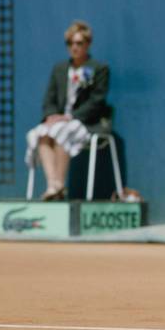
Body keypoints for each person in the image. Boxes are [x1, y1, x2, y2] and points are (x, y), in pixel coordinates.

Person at [25, 20, 111, 200]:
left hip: (85, 123)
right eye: (70, 43)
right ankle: (53, 186)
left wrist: (70, 117)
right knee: (41, 133)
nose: (74, 47)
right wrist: (50, 116)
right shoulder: (59, 69)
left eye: (79, 43)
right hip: (60, 120)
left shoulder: (99, 69)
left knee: (62, 131)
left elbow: (97, 101)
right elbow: (49, 98)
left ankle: (60, 185)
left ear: (88, 44)